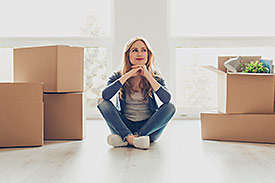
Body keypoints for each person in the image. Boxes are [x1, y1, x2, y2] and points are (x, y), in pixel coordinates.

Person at [97, 36, 176, 149]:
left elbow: (166, 99)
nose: (139, 54)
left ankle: (127, 139)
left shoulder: (155, 76)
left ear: (148, 55)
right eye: (135, 50)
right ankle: (131, 138)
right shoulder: (118, 75)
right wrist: (128, 75)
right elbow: (105, 95)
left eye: (143, 50)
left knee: (171, 107)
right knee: (102, 102)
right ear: (128, 55)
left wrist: (148, 76)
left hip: (149, 128)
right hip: (124, 125)